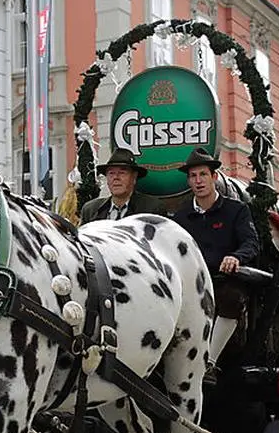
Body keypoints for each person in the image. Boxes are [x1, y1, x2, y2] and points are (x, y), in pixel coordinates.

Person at [170, 147, 259, 371]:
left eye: (203, 174)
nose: (198, 180)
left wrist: (236, 257)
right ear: (189, 181)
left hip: (224, 279)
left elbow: (251, 243)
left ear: (214, 177)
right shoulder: (181, 217)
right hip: (191, 283)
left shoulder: (236, 210)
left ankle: (208, 362)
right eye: (193, 176)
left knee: (232, 297)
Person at [79, 148, 167, 223]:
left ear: (134, 177)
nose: (116, 178)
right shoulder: (90, 210)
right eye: (111, 173)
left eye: (122, 173)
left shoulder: (151, 209)